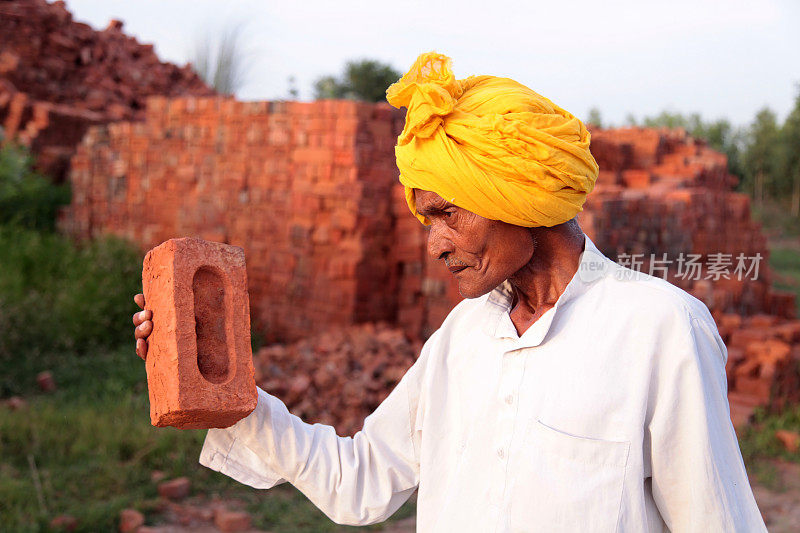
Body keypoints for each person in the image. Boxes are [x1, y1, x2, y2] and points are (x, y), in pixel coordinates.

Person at [133, 52, 766, 532]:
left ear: (520, 199)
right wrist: (222, 390)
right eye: (426, 219)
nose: (435, 244)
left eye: (447, 213)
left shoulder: (660, 328)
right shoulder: (465, 336)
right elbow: (360, 482)